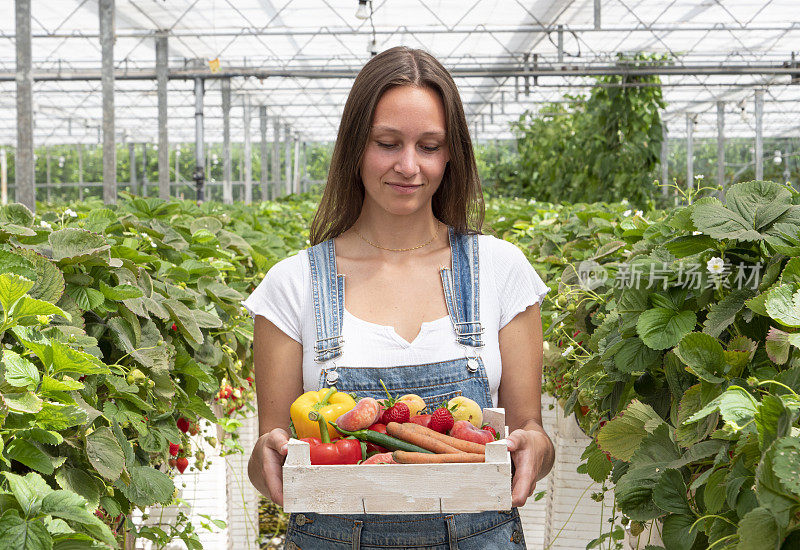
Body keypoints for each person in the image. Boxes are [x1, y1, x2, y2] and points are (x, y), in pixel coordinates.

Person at [244, 46, 554, 549]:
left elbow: (530, 428)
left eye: (429, 146)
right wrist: (269, 458)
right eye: (387, 143)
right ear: (354, 148)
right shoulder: (292, 285)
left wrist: (534, 447)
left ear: (452, 153)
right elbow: (269, 457)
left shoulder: (501, 270)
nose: (408, 166)